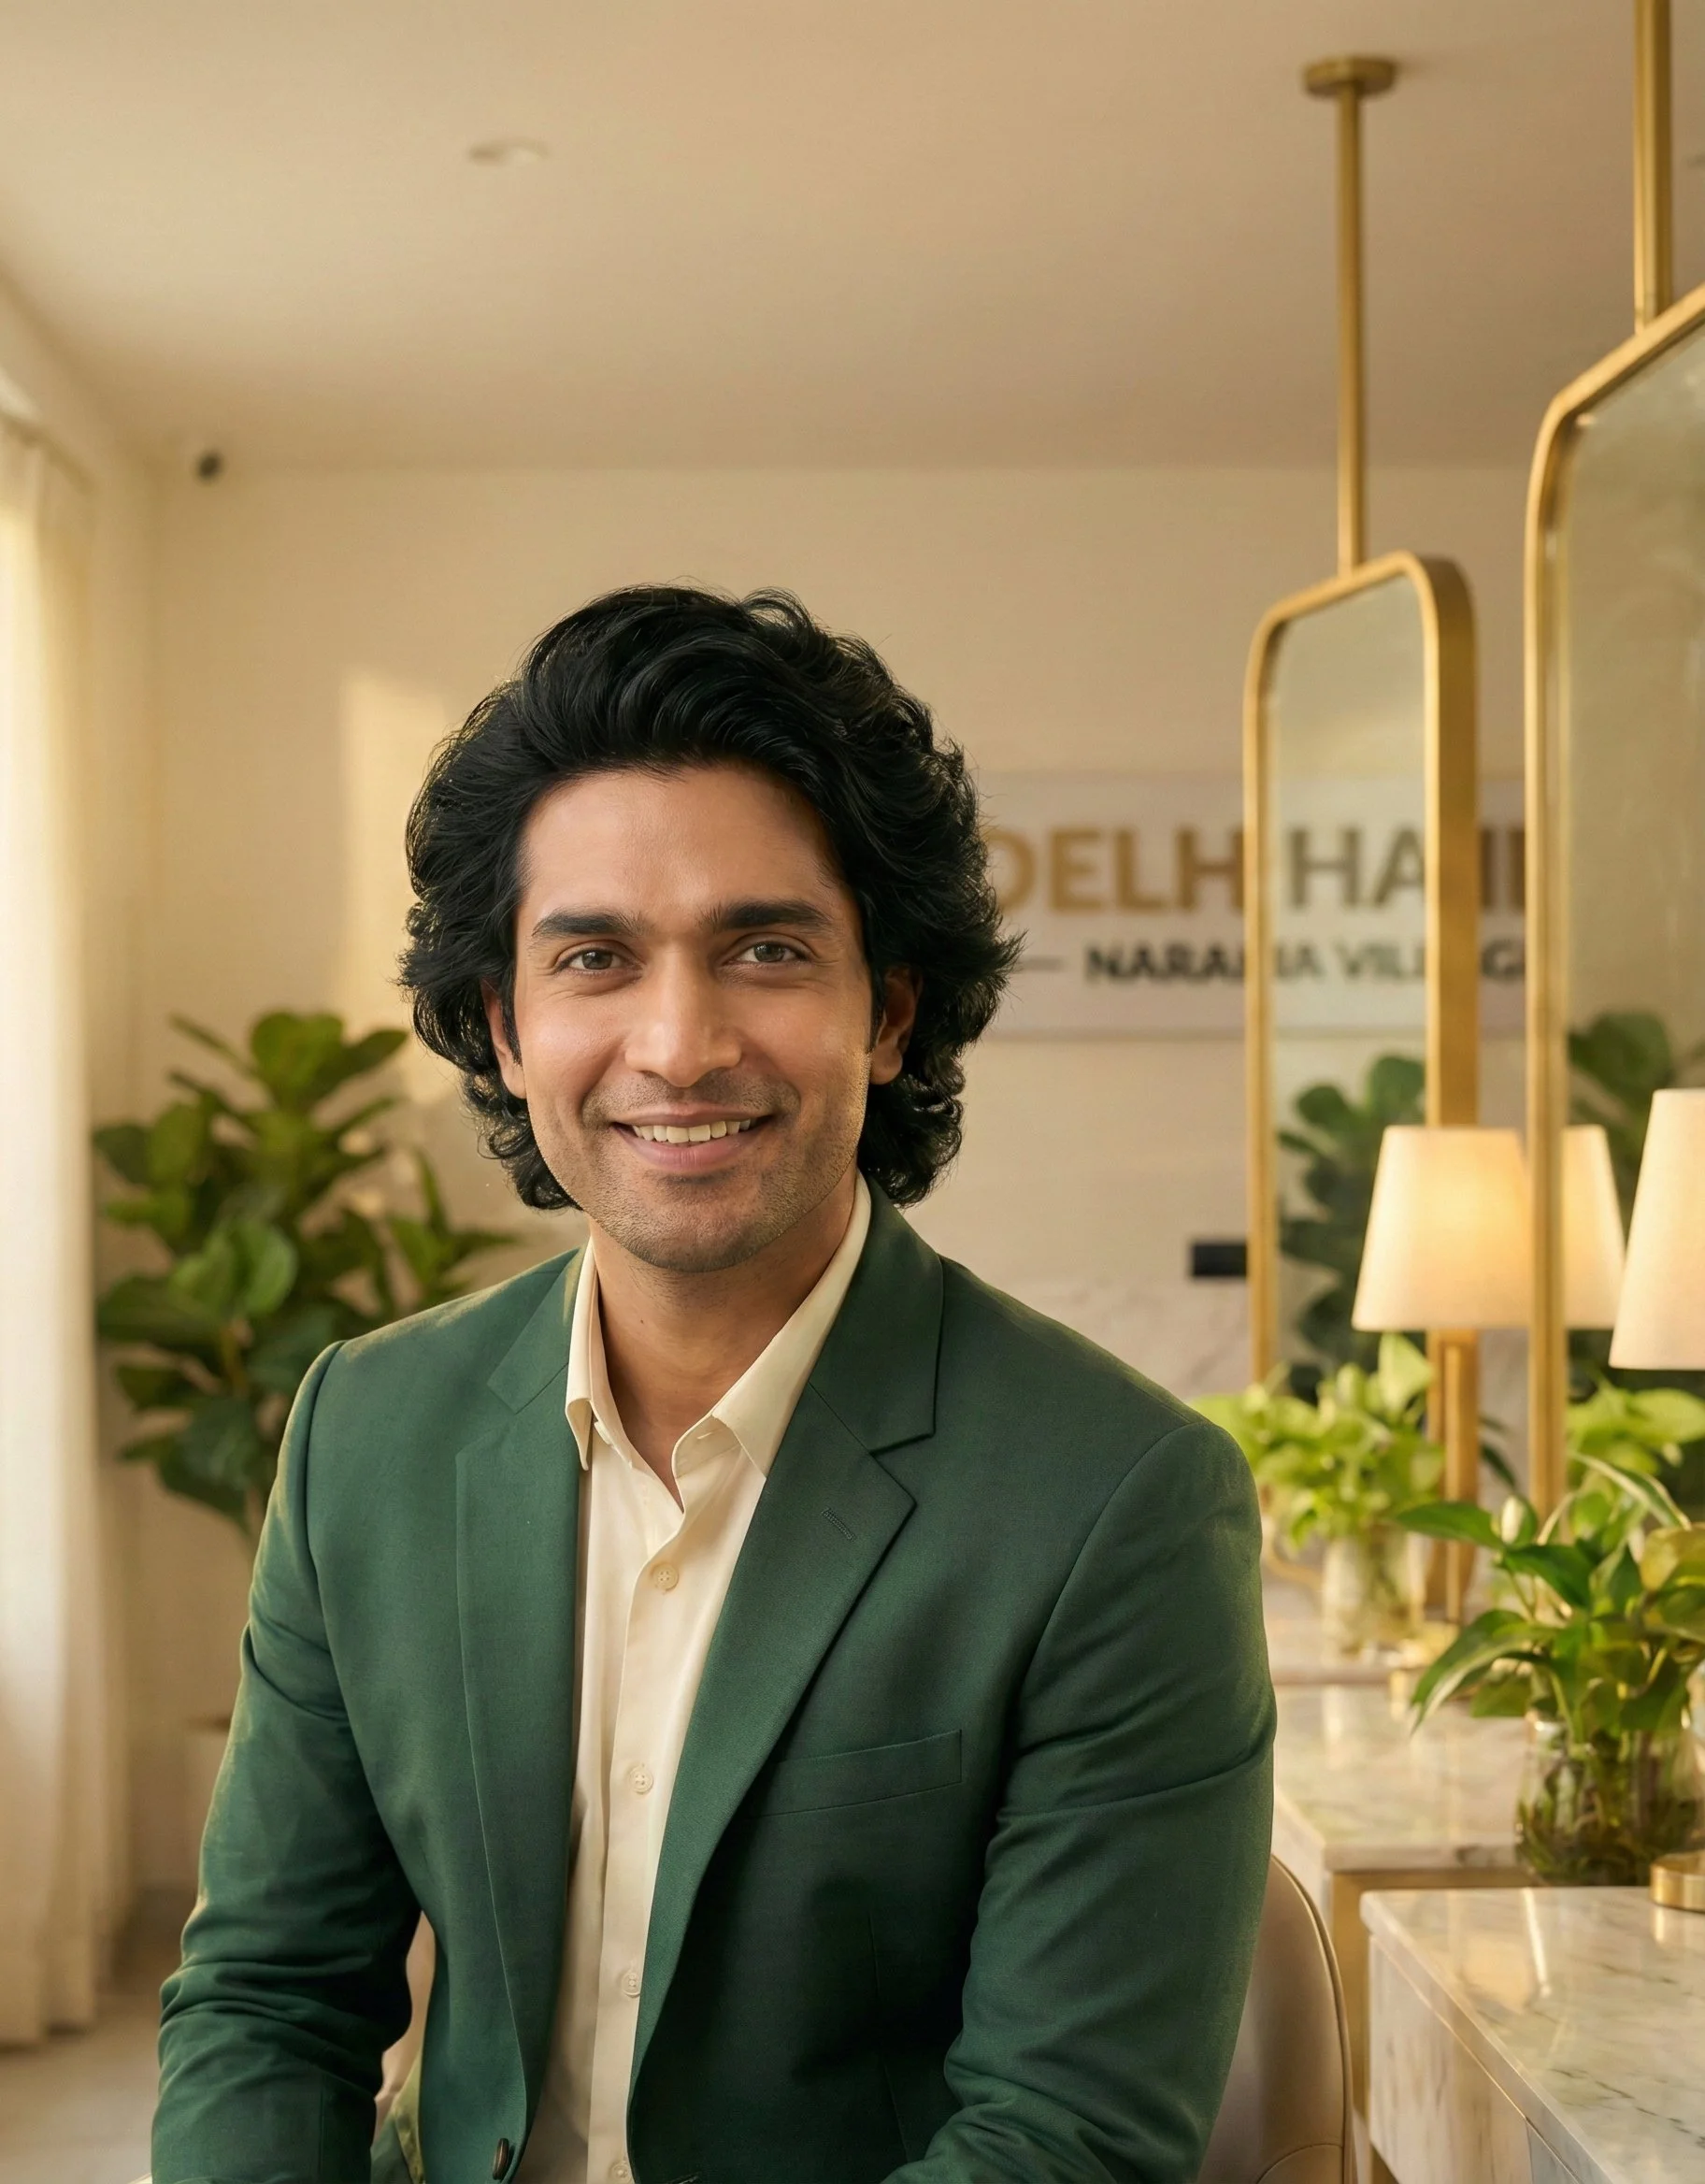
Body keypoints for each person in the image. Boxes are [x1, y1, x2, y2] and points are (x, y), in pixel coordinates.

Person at [152, 586, 1274, 2184]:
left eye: (764, 948)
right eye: (595, 957)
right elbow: (267, 2003)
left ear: (886, 1011)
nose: (678, 1043)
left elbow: (1064, 2137)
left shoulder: (1119, 1502)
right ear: (505, 1022)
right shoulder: (367, 1434)